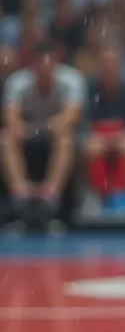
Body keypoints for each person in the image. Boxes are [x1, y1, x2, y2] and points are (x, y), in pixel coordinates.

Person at [0, 40, 85, 229]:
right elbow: (10, 116)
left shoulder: (71, 79)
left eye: (49, 65)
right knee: (6, 137)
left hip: (54, 135)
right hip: (27, 135)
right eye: (40, 65)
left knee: (65, 136)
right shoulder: (17, 81)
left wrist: (53, 125)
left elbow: (72, 115)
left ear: (56, 63)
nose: (45, 70)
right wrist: (20, 127)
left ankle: (50, 196)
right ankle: (20, 195)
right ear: (32, 65)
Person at [83, 43, 125, 215]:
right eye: (105, 63)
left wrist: (121, 136)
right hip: (97, 135)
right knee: (93, 148)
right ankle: (99, 195)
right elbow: (84, 122)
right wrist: (97, 136)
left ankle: (122, 196)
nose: (109, 68)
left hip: (123, 135)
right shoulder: (90, 87)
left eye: (113, 63)